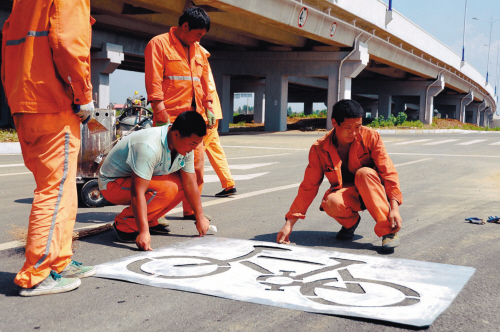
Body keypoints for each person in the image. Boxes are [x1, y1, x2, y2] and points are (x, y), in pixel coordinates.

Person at [1, 0, 96, 296]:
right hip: (53, 104)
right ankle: (37, 273)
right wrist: (83, 94)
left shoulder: (22, 4)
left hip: (26, 104)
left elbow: (8, 50)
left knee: (61, 190)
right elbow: (68, 42)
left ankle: (59, 261)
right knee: (55, 190)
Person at [277, 99, 403, 250]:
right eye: (348, 127)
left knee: (364, 173)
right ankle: (350, 223)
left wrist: (394, 208)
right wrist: (289, 224)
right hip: (350, 195)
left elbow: (388, 172)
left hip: (374, 192)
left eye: (357, 126)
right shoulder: (320, 148)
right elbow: (308, 187)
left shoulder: (371, 137)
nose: (354, 132)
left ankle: (388, 232)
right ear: (334, 123)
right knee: (331, 202)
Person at [98, 111, 211, 251]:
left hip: (140, 179)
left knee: (183, 183)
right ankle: (125, 224)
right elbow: (137, 191)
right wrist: (143, 232)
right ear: (176, 134)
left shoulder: (185, 146)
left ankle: (150, 219)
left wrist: (199, 216)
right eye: (192, 144)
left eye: (196, 145)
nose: (193, 149)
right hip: (112, 184)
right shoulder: (149, 146)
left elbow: (190, 182)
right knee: (167, 189)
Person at [144, 7, 213, 220]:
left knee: (197, 167)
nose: (198, 39)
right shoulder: (159, 44)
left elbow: (204, 81)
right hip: (170, 118)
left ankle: (191, 209)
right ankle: (154, 212)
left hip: (195, 118)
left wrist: (209, 105)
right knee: (162, 169)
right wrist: (159, 109)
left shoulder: (199, 51)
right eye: (198, 34)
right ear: (185, 27)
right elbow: (154, 80)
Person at [199, 45, 237, 197]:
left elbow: (206, 88)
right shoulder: (203, 60)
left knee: (195, 153)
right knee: (215, 150)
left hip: (205, 114)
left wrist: (207, 110)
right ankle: (228, 184)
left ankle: (188, 192)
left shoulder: (197, 60)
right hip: (211, 113)